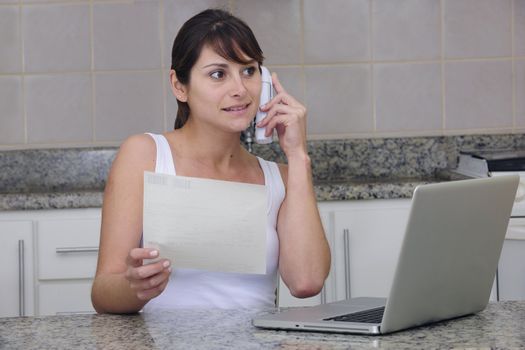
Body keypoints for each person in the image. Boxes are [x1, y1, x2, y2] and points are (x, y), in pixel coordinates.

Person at [91, 8, 330, 313]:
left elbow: (306, 282)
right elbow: (103, 292)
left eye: (249, 70)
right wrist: (134, 288)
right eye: (218, 74)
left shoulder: (281, 178)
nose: (240, 90)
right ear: (179, 86)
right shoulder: (145, 155)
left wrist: (298, 157)